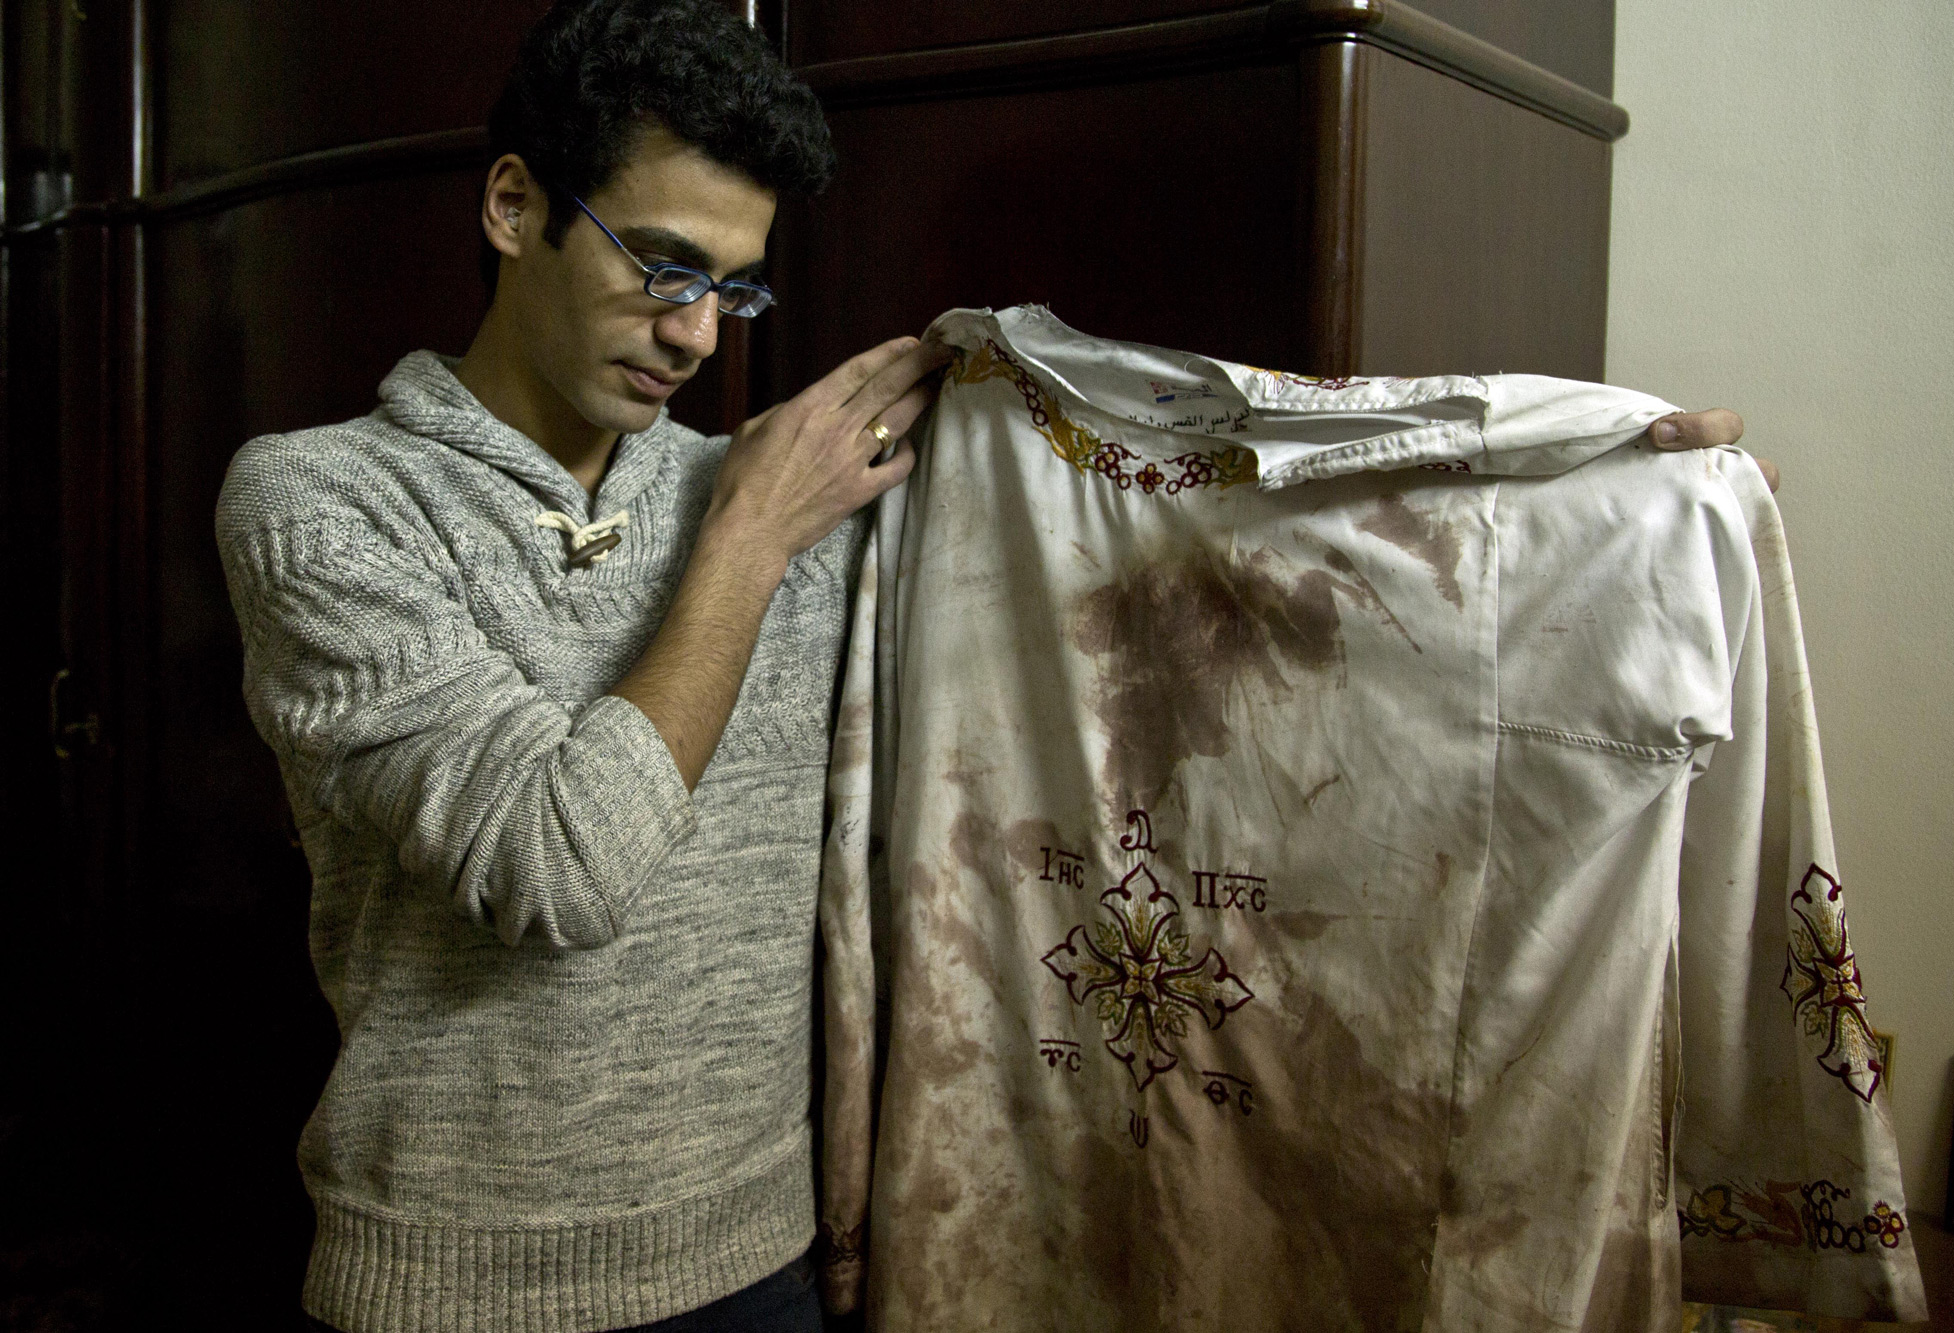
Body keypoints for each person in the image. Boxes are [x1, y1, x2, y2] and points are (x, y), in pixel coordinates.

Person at [214, 2, 1754, 1330]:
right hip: (466, 1283)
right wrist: (747, 540)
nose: (694, 334)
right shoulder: (322, 502)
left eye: (734, 290)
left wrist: (1586, 483)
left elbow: (1180, 500)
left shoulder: (763, 481)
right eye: (660, 264)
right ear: (510, 205)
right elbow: (559, 864)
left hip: (760, 1262)